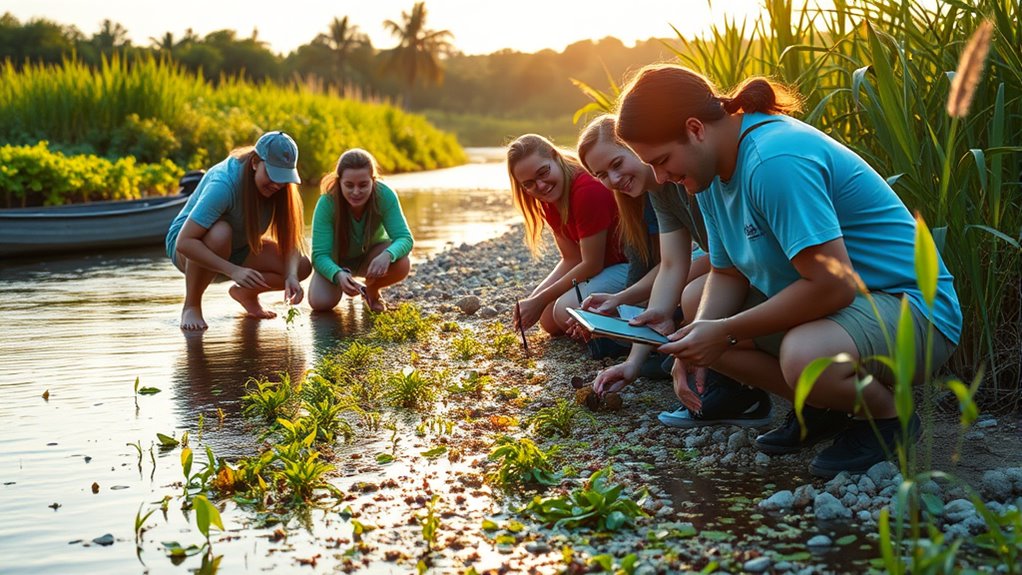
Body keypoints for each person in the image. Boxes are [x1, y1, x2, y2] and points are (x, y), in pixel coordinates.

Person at [615, 64, 962, 477]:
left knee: (803, 354)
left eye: (662, 160)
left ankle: (887, 417)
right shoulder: (707, 172)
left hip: (914, 311)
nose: (660, 177)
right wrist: (693, 343)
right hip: (848, 307)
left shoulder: (772, 161)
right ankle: (822, 408)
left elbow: (833, 285)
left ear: (695, 129)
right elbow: (727, 274)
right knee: (695, 305)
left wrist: (725, 330)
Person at [576, 114, 772, 428]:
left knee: (694, 295)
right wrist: (633, 364)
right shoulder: (659, 191)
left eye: (616, 164)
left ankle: (736, 391)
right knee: (685, 299)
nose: (613, 179)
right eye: (601, 175)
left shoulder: (690, 177)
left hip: (758, 276)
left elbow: (721, 259)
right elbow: (671, 265)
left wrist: (627, 299)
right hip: (738, 278)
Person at [166, 131, 311, 331]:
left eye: (283, 177)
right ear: (255, 163)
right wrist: (233, 270)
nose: (277, 184)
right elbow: (185, 242)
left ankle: (247, 294)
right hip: (189, 246)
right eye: (272, 174)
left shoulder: (281, 190)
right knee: (221, 232)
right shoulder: (224, 184)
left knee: (301, 266)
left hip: (238, 246)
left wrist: (292, 276)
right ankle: (191, 305)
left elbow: (291, 243)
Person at [506, 134, 628, 336]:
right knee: (547, 319)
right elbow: (571, 258)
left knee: (563, 311)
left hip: (631, 266)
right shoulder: (549, 198)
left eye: (543, 172)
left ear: (555, 157)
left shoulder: (587, 190)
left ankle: (625, 334)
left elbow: (591, 264)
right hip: (606, 268)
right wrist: (533, 300)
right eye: (529, 184)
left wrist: (540, 300)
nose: (541, 186)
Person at [308, 148, 412, 313]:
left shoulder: (385, 195)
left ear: (373, 180)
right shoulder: (327, 203)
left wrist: (387, 255)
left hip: (370, 257)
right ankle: (346, 284)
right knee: (320, 302)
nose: (356, 192)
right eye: (349, 185)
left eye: (363, 185)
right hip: (336, 261)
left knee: (403, 263)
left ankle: (371, 290)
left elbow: (405, 238)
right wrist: (337, 274)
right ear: (339, 182)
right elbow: (319, 255)